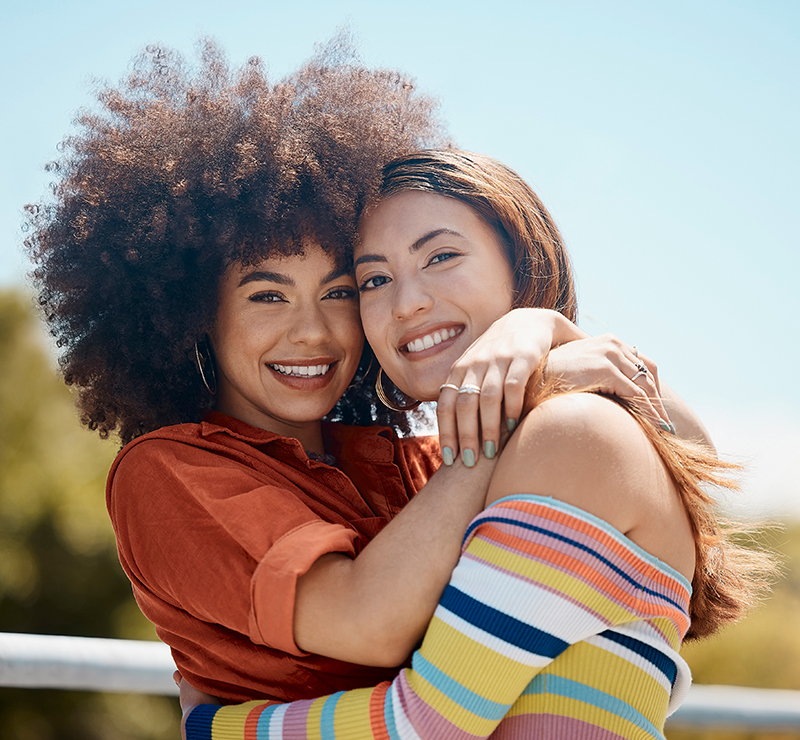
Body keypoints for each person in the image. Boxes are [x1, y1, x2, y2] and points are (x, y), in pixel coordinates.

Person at [24, 38, 770, 740]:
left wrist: (540, 334)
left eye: (343, 290)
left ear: (521, 261)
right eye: (267, 294)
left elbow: (677, 477)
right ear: (192, 312)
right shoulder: (173, 471)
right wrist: (517, 392)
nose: (313, 332)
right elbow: (375, 628)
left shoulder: (419, 458)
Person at [174, 152, 773, 740]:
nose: (406, 301)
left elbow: (426, 724)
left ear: (522, 266)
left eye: (441, 256)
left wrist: (211, 727)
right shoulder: (464, 469)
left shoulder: (571, 433)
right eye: (374, 280)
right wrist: (546, 336)